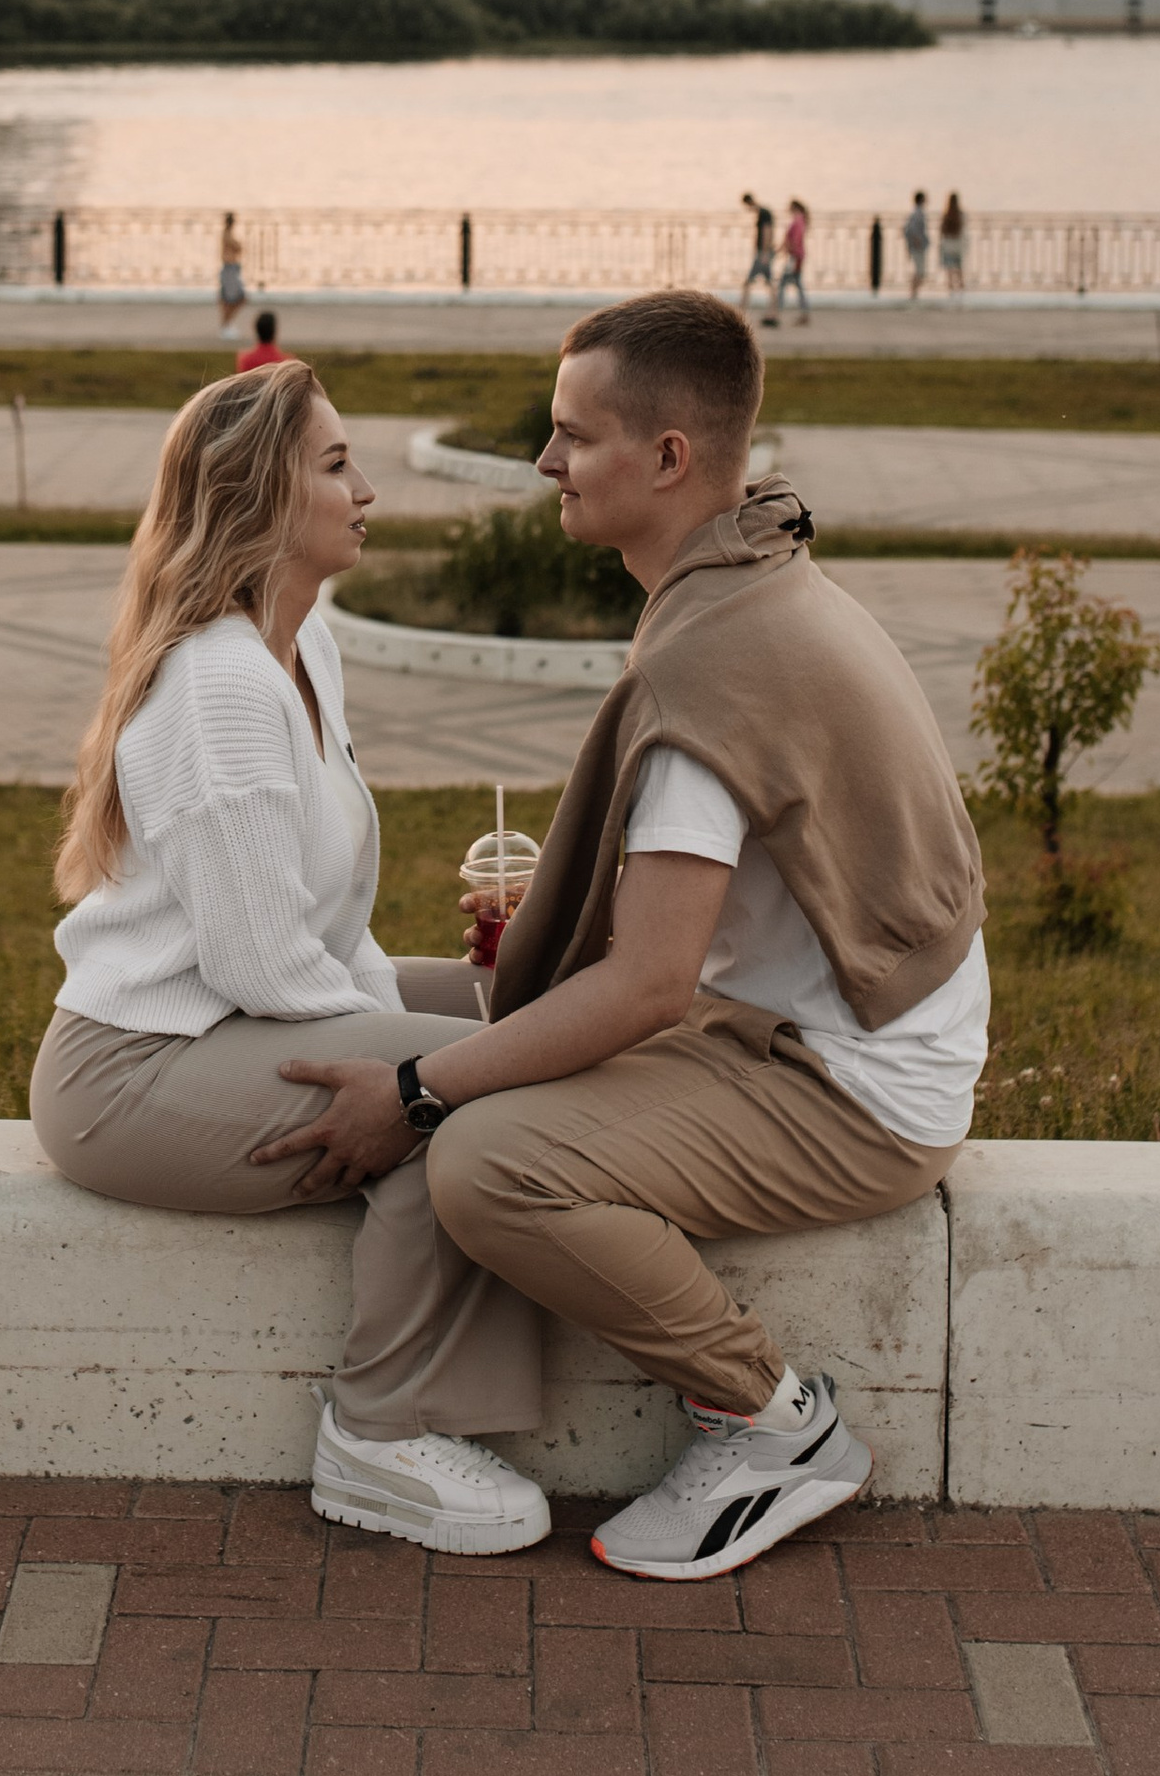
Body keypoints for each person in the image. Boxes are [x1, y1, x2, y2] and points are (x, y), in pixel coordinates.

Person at [252, 290, 987, 1585]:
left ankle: (769, 1421)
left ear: (668, 457)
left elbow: (648, 981)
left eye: (572, 435)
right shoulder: (765, 584)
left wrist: (414, 1093)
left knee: (484, 1161)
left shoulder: (709, 669)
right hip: (838, 1026)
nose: (545, 463)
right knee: (497, 1042)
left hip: (854, 1086)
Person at [30, 357, 552, 1555]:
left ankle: (432, 1401)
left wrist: (454, 1019)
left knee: (518, 1009)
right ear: (262, 499)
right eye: (334, 465)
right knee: (472, 1084)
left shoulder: (302, 649)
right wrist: (429, 1064)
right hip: (137, 1068)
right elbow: (268, 967)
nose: (366, 489)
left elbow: (316, 937)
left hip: (234, 1013)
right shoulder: (218, 686)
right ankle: (376, 1437)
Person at [737, 194, 776, 321]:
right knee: (769, 283)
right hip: (764, 253)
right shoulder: (763, 212)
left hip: (762, 254)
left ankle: (741, 312)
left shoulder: (763, 213)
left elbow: (767, 232)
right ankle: (772, 313)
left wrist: (764, 253)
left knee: (748, 282)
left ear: (749, 203)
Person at [775, 198, 811, 329]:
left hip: (794, 258)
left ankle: (777, 314)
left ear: (794, 207)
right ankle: (804, 314)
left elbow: (795, 240)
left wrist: (789, 252)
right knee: (797, 286)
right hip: (795, 257)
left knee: (783, 285)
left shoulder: (798, 220)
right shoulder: (800, 220)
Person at [216, 213, 248, 338]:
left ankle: (227, 324)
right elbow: (237, 247)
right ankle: (226, 325)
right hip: (229, 269)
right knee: (232, 299)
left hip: (231, 269)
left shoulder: (227, 234)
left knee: (232, 299)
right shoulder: (227, 235)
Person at [901, 190, 931, 302]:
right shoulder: (918, 213)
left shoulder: (916, 212)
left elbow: (907, 230)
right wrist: (917, 240)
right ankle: (913, 294)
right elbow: (910, 230)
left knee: (919, 271)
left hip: (917, 246)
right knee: (920, 271)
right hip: (918, 247)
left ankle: (914, 293)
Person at [937, 192, 968, 296]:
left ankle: (951, 291)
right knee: (959, 269)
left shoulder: (946, 215)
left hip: (948, 245)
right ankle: (961, 290)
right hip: (957, 246)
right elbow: (963, 230)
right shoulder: (960, 214)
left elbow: (942, 231)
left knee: (950, 270)